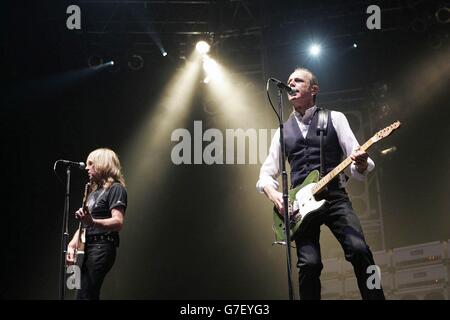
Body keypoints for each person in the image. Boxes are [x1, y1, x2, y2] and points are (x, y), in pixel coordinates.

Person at [256, 68, 385, 300]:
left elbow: (357, 163)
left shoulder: (335, 118)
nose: (291, 84)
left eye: (298, 80)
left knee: (359, 250)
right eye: (289, 81)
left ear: (314, 89)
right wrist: (274, 195)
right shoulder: (282, 131)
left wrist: (363, 162)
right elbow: (266, 174)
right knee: (309, 265)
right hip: (300, 208)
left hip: (335, 196)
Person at [66, 148, 127, 300]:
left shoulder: (116, 189)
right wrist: (72, 245)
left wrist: (92, 221)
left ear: (103, 164)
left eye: (91, 164)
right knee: (81, 294)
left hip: (101, 247)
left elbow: (118, 222)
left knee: (86, 295)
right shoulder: (92, 193)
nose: (87, 168)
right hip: (84, 248)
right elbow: (84, 225)